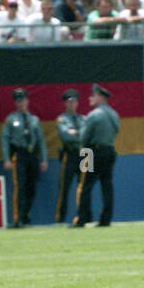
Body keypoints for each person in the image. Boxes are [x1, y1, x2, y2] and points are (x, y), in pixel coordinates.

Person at [74, 84, 120, 227]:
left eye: (93, 95)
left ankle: (82, 218)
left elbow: (83, 137)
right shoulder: (114, 114)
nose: (90, 98)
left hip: (89, 152)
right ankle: (105, 219)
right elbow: (116, 130)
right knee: (107, 186)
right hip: (109, 150)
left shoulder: (93, 115)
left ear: (100, 97)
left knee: (84, 186)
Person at [1, 88, 46, 227]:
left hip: (32, 155)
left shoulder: (34, 120)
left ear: (27, 101)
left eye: (23, 100)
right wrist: (7, 158)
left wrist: (43, 159)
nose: (21, 103)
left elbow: (40, 141)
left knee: (31, 187)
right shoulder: (11, 119)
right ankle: (18, 218)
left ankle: (26, 215)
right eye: (18, 101)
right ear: (16, 103)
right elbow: (5, 139)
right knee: (20, 187)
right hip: (19, 155)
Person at [54, 89, 84, 223]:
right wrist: (79, 134)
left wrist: (75, 133)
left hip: (86, 153)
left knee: (85, 186)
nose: (72, 104)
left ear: (77, 103)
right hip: (70, 154)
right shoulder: (62, 119)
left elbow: (89, 136)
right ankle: (60, 219)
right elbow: (65, 136)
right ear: (65, 103)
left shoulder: (84, 118)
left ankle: (83, 216)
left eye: (74, 101)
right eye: (69, 102)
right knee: (64, 188)